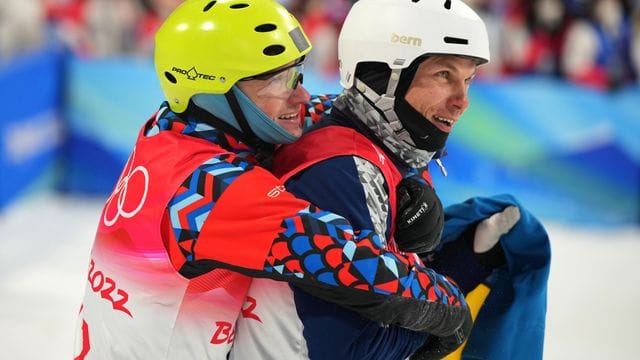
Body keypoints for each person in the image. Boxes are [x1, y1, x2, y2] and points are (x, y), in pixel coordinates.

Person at [73, 0, 473, 358]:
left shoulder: (171, 129)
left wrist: (403, 167)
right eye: (277, 82)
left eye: (296, 74)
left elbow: (327, 110)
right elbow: (349, 262)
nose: (300, 96)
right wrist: (452, 308)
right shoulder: (211, 192)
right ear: (216, 92)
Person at [231, 0, 550, 359]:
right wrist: (451, 307)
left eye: (468, 80)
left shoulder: (390, 147)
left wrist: (471, 256)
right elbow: (356, 351)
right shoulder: (340, 168)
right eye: (443, 75)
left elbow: (384, 292)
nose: (463, 101)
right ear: (383, 77)